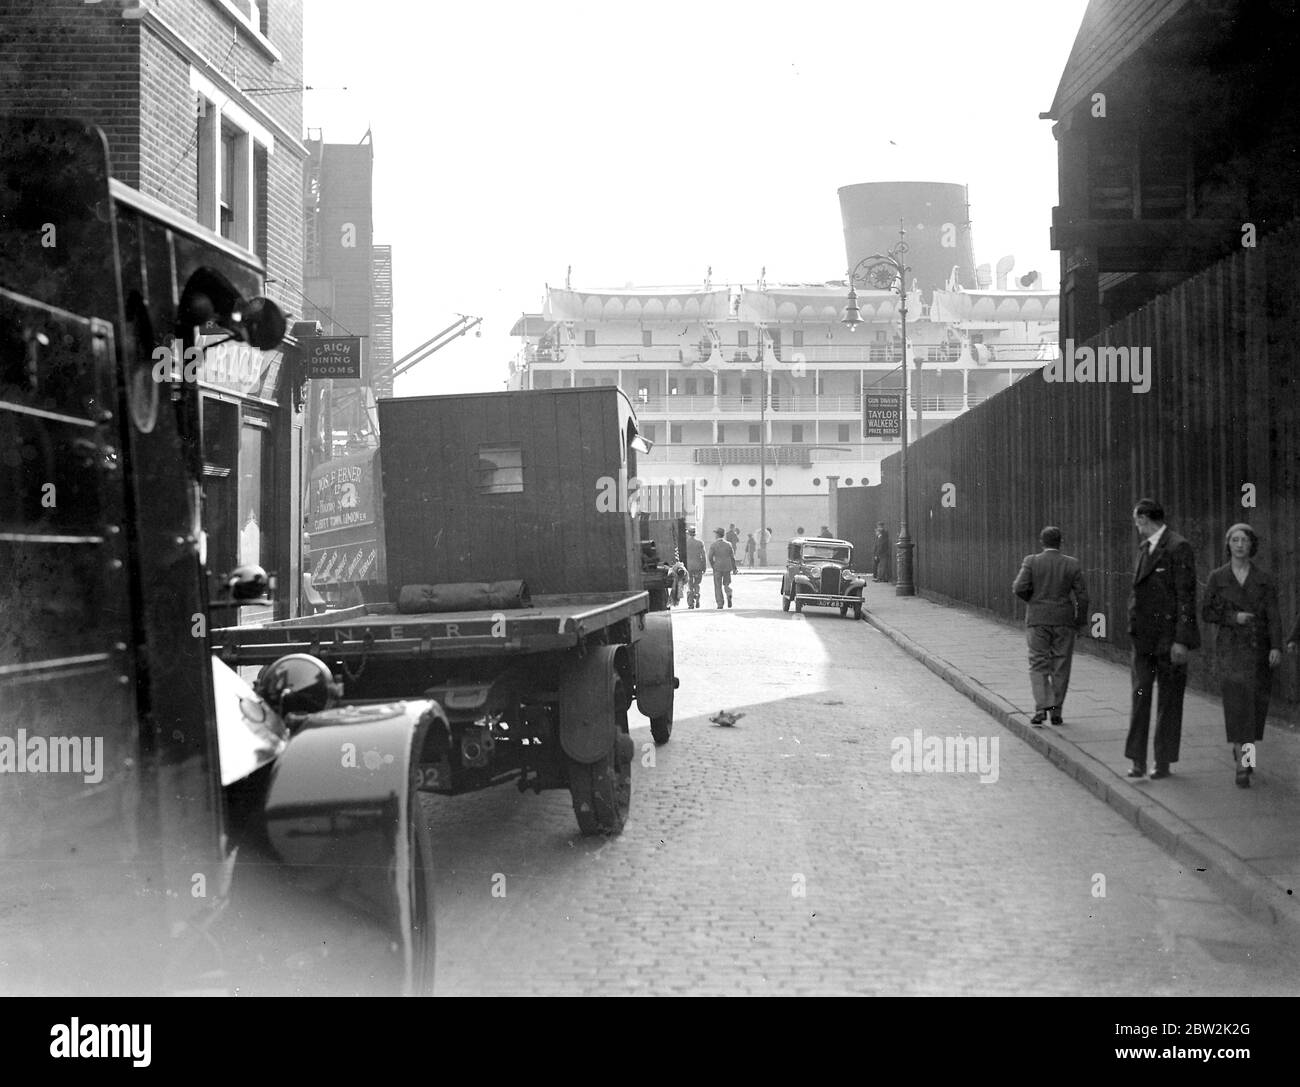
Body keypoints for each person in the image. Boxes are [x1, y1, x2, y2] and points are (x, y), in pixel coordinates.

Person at [1124, 498, 1200, 780]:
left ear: (1144, 519)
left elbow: (1186, 597)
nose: (1136, 526)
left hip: (1169, 641)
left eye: (1136, 521)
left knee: (1168, 700)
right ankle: (1137, 760)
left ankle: (1163, 762)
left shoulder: (1178, 547)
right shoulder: (1145, 548)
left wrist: (1182, 640)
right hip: (1143, 641)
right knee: (1141, 694)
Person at [1202, 523, 1283, 787]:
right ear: (1228, 545)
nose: (1239, 545)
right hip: (1231, 651)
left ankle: (1243, 751)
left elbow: (1274, 616)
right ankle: (1243, 764)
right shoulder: (1217, 577)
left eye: (1244, 541)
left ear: (1251, 546)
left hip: (1258, 650)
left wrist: (1276, 647)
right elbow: (1207, 612)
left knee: (1254, 710)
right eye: (1235, 540)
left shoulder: (1264, 579)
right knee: (1238, 708)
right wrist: (1233, 617)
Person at [1012, 526, 1090, 726]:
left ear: (1041, 542)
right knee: (1061, 665)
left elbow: (1018, 587)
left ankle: (1041, 709)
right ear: (1060, 542)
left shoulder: (1031, 561)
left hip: (1038, 620)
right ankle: (1056, 711)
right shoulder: (1071, 564)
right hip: (1064, 620)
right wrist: (1080, 621)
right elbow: (1082, 596)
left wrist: (1034, 601)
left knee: (1038, 663)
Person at [708, 527, 736, 609]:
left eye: (715, 534)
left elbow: (710, 557)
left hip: (717, 567)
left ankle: (720, 604)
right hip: (727, 567)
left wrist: (713, 565)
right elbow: (732, 557)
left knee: (718, 586)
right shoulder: (728, 544)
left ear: (717, 535)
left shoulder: (713, 545)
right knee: (726, 584)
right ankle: (729, 593)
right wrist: (734, 568)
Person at [684, 526, 706, 609]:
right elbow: (703, 556)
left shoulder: (685, 543)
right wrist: (704, 567)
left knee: (689, 585)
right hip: (698, 566)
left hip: (688, 567)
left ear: (688, 533)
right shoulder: (700, 543)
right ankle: (697, 595)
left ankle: (690, 603)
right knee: (697, 583)